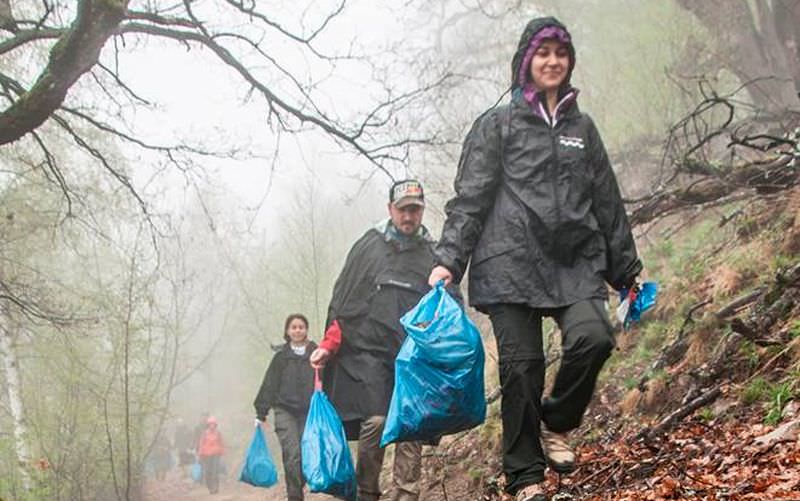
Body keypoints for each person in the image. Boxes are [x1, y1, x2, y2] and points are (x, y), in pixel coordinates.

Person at [427, 17, 643, 501]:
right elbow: (470, 199)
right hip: (510, 262)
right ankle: (526, 478)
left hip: (574, 262)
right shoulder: (497, 125)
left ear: (569, 64)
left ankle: (557, 422)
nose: (552, 62)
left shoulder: (582, 129)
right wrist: (449, 260)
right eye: (543, 53)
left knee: (594, 337)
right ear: (526, 61)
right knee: (521, 369)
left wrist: (626, 269)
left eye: (560, 54)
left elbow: (606, 202)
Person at [310, 179, 438, 501]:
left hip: (413, 353)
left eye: (415, 210)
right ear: (390, 210)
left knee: (412, 426)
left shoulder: (431, 253)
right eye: (403, 210)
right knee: (377, 421)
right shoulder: (368, 247)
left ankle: (407, 493)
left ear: (422, 211)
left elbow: (445, 305)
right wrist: (328, 344)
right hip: (368, 353)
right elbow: (344, 303)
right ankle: (367, 491)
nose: (409, 217)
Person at [254, 313, 317, 501]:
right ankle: (294, 496)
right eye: (294, 327)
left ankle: (298, 485)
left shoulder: (316, 353)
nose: (298, 330)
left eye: (301, 327)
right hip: (285, 411)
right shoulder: (281, 357)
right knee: (292, 454)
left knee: (307, 455)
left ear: (306, 330)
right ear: (287, 331)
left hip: (309, 412)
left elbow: (327, 381)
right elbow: (270, 385)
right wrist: (261, 412)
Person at [197, 415, 225, 494]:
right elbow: (201, 443)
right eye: (210, 424)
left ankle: (215, 487)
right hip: (206, 455)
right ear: (208, 425)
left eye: (213, 424)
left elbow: (221, 443)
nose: (212, 426)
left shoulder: (218, 433)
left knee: (215, 471)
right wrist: (200, 453)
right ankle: (210, 486)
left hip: (216, 454)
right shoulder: (205, 433)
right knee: (208, 471)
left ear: (216, 425)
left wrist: (222, 452)